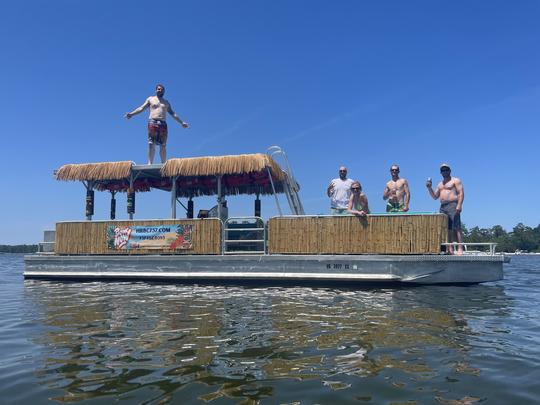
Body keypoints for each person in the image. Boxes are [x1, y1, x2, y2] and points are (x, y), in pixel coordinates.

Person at [125, 84, 189, 164]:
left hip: (163, 124)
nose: (160, 90)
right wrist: (131, 114)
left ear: (164, 91)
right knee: (151, 144)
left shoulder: (166, 102)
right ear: (156, 90)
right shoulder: (151, 99)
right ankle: (149, 163)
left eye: (161, 89)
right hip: (153, 122)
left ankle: (163, 163)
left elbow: (173, 114)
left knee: (163, 145)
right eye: (158, 89)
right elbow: (141, 108)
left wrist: (181, 122)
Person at [426, 163, 465, 255]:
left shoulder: (455, 180)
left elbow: (461, 193)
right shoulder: (440, 184)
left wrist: (459, 205)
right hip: (443, 206)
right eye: (443, 170)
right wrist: (429, 188)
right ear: (441, 172)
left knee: (456, 227)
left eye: (446, 170)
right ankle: (450, 248)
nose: (445, 171)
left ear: (450, 171)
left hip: (453, 204)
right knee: (447, 228)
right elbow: (435, 196)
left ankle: (460, 248)